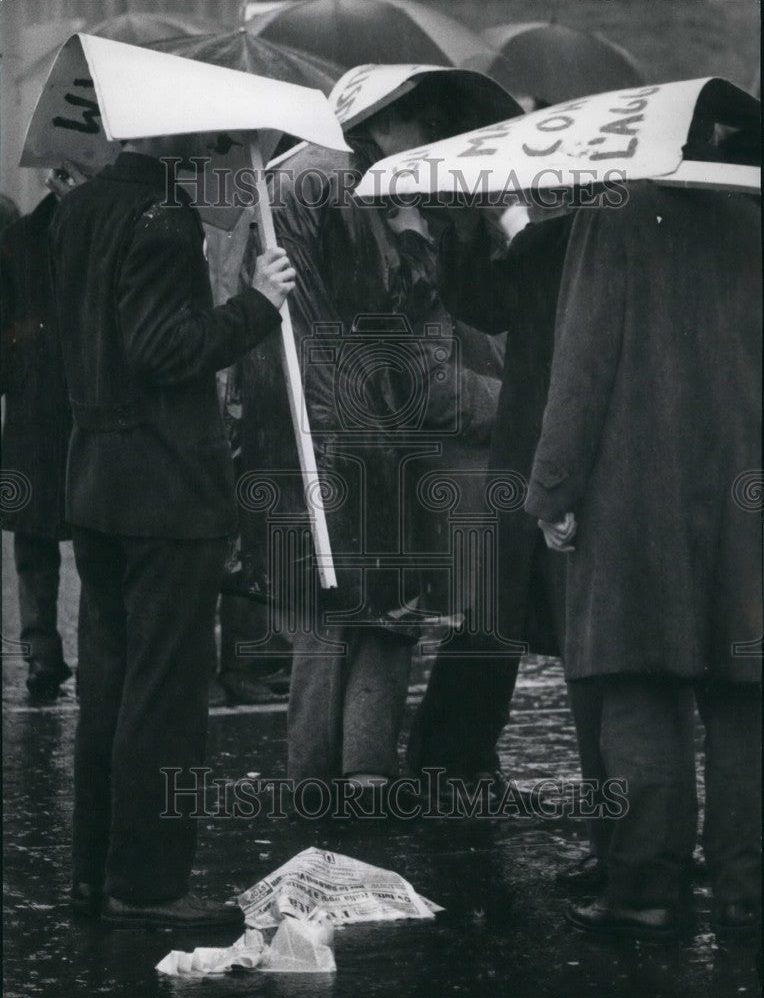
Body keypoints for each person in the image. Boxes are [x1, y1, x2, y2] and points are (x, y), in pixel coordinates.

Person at [238, 72, 511, 802]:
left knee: (324, 617)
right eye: (431, 127)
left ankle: (325, 787)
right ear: (398, 123)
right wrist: (420, 246)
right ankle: (357, 782)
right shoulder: (358, 188)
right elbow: (404, 350)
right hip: (361, 431)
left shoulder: (296, 174)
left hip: (296, 429)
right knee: (382, 615)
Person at [49, 137, 295, 928]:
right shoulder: (163, 216)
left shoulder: (80, 207)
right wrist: (259, 302)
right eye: (212, 143)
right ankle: (148, 883)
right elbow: (166, 349)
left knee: (110, 690)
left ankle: (95, 872)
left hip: (98, 480)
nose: (218, 153)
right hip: (165, 490)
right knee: (164, 697)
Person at [525, 180, 761, 939]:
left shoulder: (614, 212)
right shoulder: (750, 209)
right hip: (745, 492)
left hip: (636, 495)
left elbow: (583, 360)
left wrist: (553, 489)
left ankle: (646, 891)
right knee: (745, 701)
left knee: (637, 692)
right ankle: (746, 892)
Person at [408, 203, 578, 807]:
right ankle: (449, 759)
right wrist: (527, 399)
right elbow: (432, 381)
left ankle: (457, 758)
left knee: (510, 614)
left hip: (521, 456)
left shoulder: (529, 236)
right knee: (502, 615)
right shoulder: (443, 254)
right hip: (486, 470)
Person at [0, 168, 84, 700]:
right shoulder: (98, 231)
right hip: (80, 401)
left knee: (35, 540)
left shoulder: (18, 238)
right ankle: (86, 656)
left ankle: (41, 655)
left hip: (33, 408)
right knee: (95, 534)